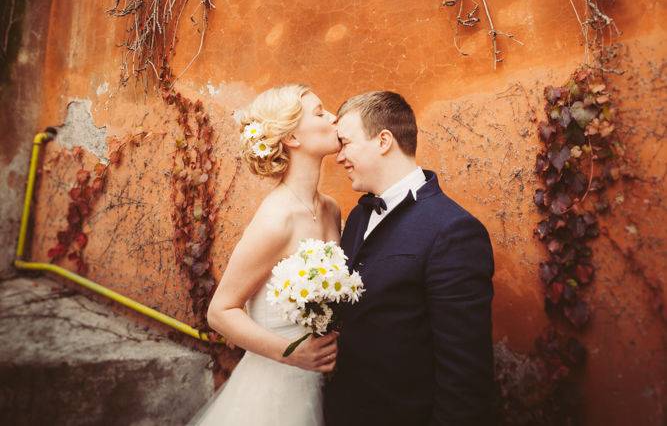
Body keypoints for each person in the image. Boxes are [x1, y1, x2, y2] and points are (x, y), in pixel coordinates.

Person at [325, 91, 496, 426]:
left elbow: (465, 374)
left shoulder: (454, 231)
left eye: (345, 143)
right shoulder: (358, 218)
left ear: (384, 140)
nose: (339, 157)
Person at [194, 84, 341, 426]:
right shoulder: (276, 218)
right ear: (291, 138)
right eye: (320, 113)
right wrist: (292, 354)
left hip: (324, 384)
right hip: (276, 391)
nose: (334, 118)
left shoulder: (331, 209)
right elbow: (220, 312)